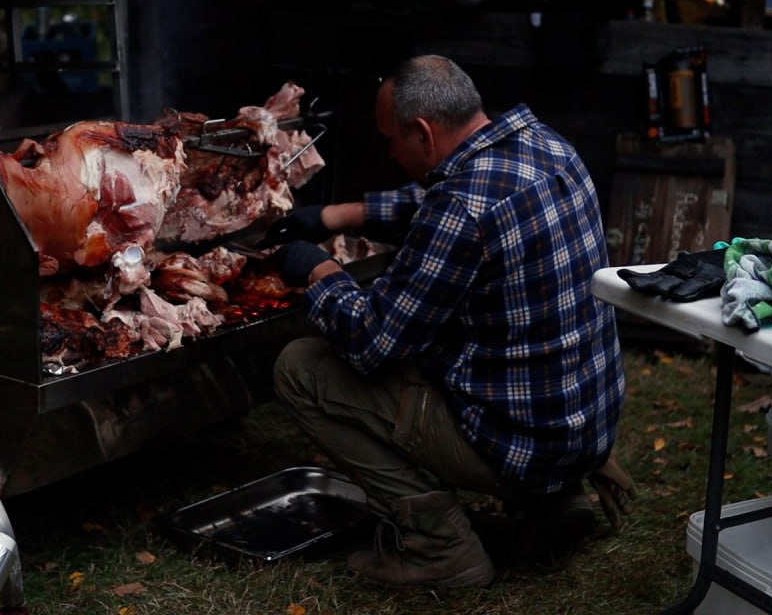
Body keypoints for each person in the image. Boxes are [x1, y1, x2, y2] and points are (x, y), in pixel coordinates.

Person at [261, 55, 634, 589]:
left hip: (522, 444)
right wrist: (336, 216)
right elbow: (441, 196)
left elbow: (371, 342)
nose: (390, 151)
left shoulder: (460, 207)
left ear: (422, 132)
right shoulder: (549, 147)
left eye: (393, 139)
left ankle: (439, 547)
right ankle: (556, 502)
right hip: (582, 423)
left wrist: (320, 271)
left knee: (299, 367)